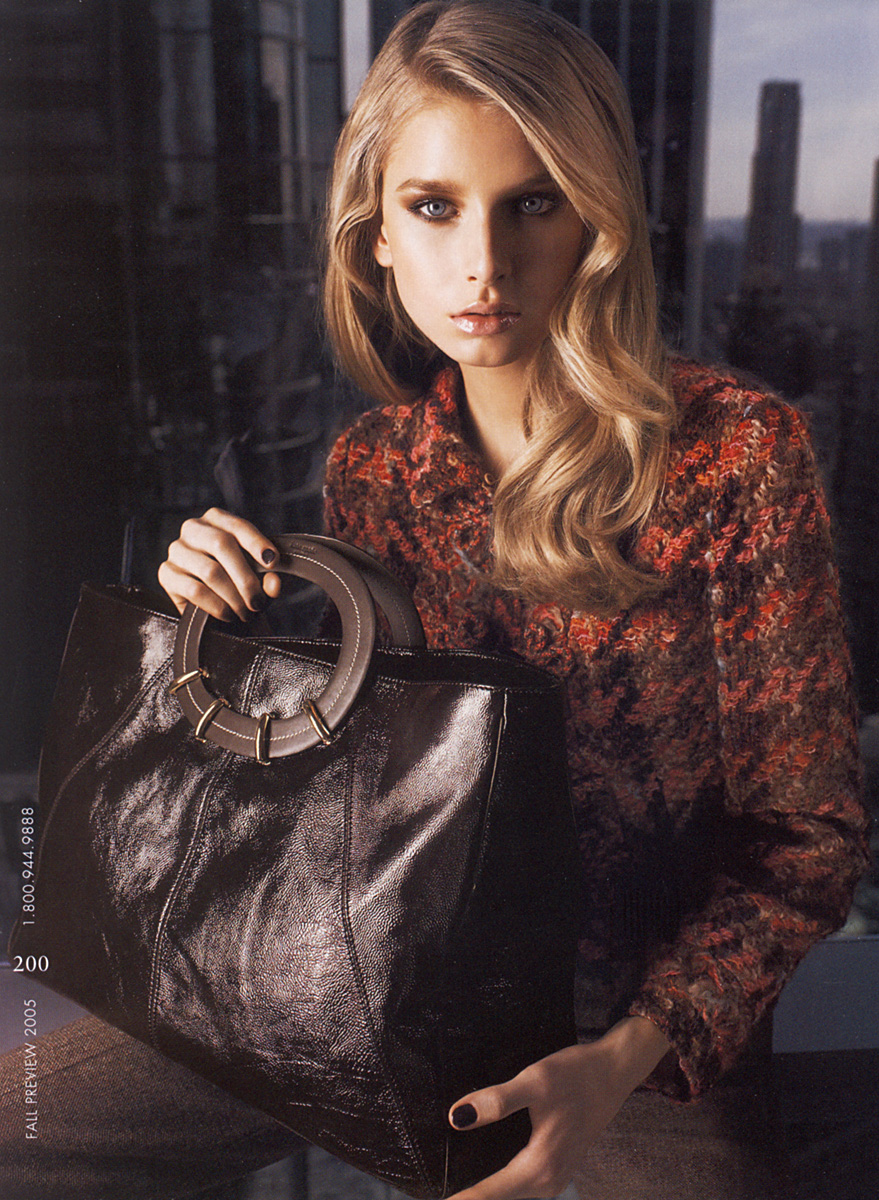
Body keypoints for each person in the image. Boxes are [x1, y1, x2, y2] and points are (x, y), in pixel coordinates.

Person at [1, 3, 868, 1198]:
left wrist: (622, 1061)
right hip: (382, 983)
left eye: (533, 203)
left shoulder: (735, 455)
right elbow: (350, 774)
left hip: (643, 1042)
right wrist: (227, 614)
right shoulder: (374, 468)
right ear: (377, 235)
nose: (485, 266)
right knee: (22, 1125)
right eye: (434, 206)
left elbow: (807, 841)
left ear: (596, 219)